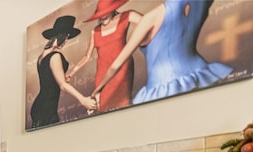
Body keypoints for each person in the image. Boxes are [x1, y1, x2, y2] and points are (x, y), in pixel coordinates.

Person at [92, 0, 232, 104]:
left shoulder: (151, 18)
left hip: (164, 88)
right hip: (202, 75)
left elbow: (116, 65)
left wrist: (97, 90)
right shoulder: (201, 3)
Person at [66, 0, 142, 112]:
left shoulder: (126, 16)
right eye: (100, 15)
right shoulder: (95, 31)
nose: (102, 17)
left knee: (124, 105)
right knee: (104, 108)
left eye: (105, 13)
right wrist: (71, 73)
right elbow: (87, 56)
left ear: (112, 10)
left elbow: (148, 23)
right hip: (102, 76)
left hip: (122, 71)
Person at [30, 15, 98, 128]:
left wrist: (66, 75)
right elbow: (62, 85)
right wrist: (83, 100)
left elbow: (50, 79)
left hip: (39, 105)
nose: (66, 40)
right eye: (66, 37)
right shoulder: (56, 56)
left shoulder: (41, 56)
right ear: (61, 36)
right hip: (47, 107)